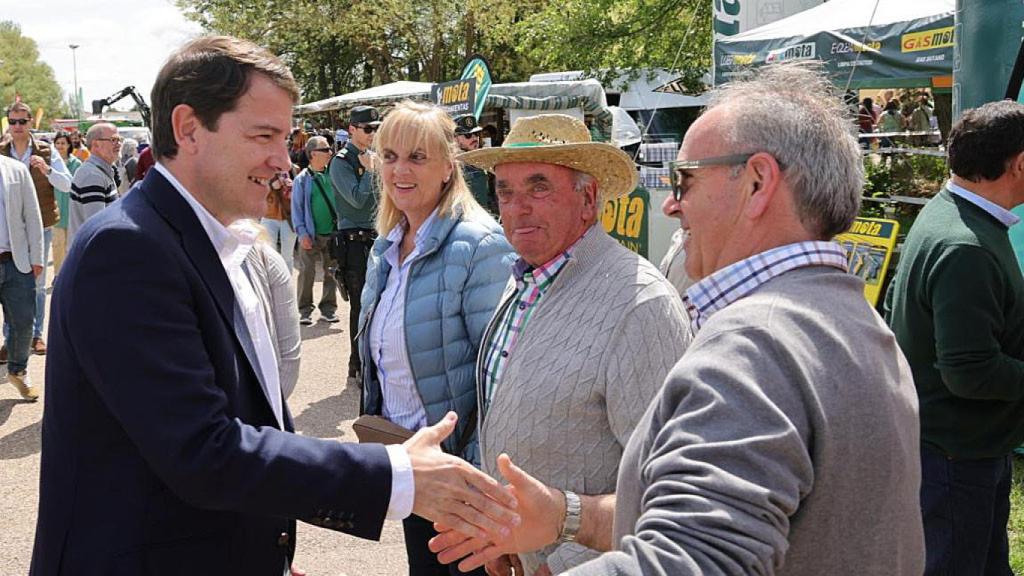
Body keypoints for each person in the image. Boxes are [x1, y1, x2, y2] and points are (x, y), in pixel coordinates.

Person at [30, 35, 520, 575]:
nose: (281, 160)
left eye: (285, 138)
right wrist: (399, 475)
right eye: (264, 136)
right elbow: (203, 452)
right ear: (188, 129)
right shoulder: (129, 250)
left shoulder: (212, 242)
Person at [434, 63, 924, 576]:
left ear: (758, 182)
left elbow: (692, 559)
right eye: (506, 191)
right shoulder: (848, 319)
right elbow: (684, 510)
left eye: (685, 179)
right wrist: (560, 517)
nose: (670, 204)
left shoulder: (755, 345)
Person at [447, 113, 690, 574]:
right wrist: (507, 534)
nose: (517, 207)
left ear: (588, 199)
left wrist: (569, 562)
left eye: (539, 187)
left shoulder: (641, 304)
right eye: (505, 191)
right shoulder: (526, 276)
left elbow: (666, 485)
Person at [359, 101, 516, 576]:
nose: (400, 170)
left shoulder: (479, 244)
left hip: (461, 478)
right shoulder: (386, 244)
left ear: (449, 167)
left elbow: (500, 378)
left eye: (417, 157)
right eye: (389, 156)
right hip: (413, 468)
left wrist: (478, 483)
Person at [885, 100, 1024, 576]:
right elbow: (969, 372)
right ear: (1020, 164)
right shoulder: (966, 245)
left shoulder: (953, 214)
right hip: (956, 457)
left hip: (960, 449)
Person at [1, 102, 72, 358]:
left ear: (31, 122)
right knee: (10, 283)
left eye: (22, 121)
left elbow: (66, 185)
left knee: (38, 284)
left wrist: (47, 169)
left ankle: (36, 335)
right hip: (8, 231)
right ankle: (10, 339)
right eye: (13, 121)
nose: (17, 127)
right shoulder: (2, 152)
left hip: (40, 224)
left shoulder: (46, 150)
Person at [330, 105, 381, 382]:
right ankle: (358, 363)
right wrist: (372, 172)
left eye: (376, 128)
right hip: (354, 243)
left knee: (382, 304)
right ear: (352, 129)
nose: (373, 133)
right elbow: (358, 201)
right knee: (361, 306)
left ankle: (373, 362)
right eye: (367, 128)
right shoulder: (341, 161)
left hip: (377, 238)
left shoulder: (374, 157)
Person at [0, 154, 44, 401]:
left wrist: (37, 257)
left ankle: (18, 370)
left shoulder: (16, 170)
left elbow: (33, 216)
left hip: (15, 263)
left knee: (24, 323)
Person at [292, 135, 341, 324]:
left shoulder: (334, 174)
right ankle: (304, 310)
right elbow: (296, 210)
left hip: (333, 233)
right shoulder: (302, 180)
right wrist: (302, 233)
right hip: (311, 235)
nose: (330, 152)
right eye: (325, 149)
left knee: (332, 272)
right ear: (313, 154)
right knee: (307, 272)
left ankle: (328, 309)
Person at [67, 122, 122, 242]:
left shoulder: (102, 170)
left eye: (119, 139)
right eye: (113, 140)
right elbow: (97, 229)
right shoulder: (92, 176)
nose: (118, 144)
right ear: (96, 145)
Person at [50, 132, 81, 277]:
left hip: (71, 212)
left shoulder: (76, 164)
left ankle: (70, 277)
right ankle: (58, 277)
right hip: (55, 213)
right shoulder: (49, 164)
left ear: (69, 145)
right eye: (58, 143)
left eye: (63, 143)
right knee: (57, 247)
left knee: (71, 248)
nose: (60, 146)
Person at [453, 114, 496, 215]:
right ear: (455, 138)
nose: (474, 138)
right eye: (468, 135)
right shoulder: (451, 166)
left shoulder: (481, 160)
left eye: (476, 134)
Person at [263, 170, 296, 274]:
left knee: (287, 255)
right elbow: (255, 191)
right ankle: (271, 283)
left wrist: (291, 187)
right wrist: (271, 187)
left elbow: (300, 190)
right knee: (269, 253)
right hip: (269, 215)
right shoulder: (264, 170)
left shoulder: (292, 169)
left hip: (288, 216)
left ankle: (287, 284)